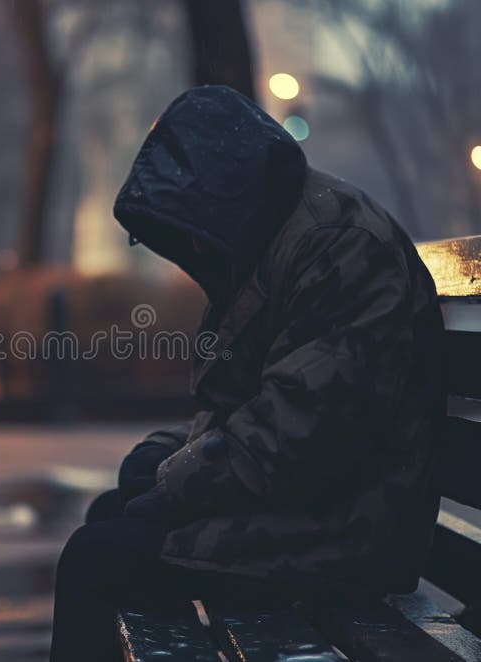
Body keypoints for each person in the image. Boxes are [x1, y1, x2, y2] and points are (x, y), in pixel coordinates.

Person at [49, 86, 445, 661]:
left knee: (95, 558)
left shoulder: (338, 247)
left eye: (188, 229)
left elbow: (302, 431)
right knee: (110, 519)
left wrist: (171, 483)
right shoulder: (281, 236)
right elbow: (262, 411)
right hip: (317, 505)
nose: (186, 249)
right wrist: (167, 464)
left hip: (347, 530)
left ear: (222, 196)